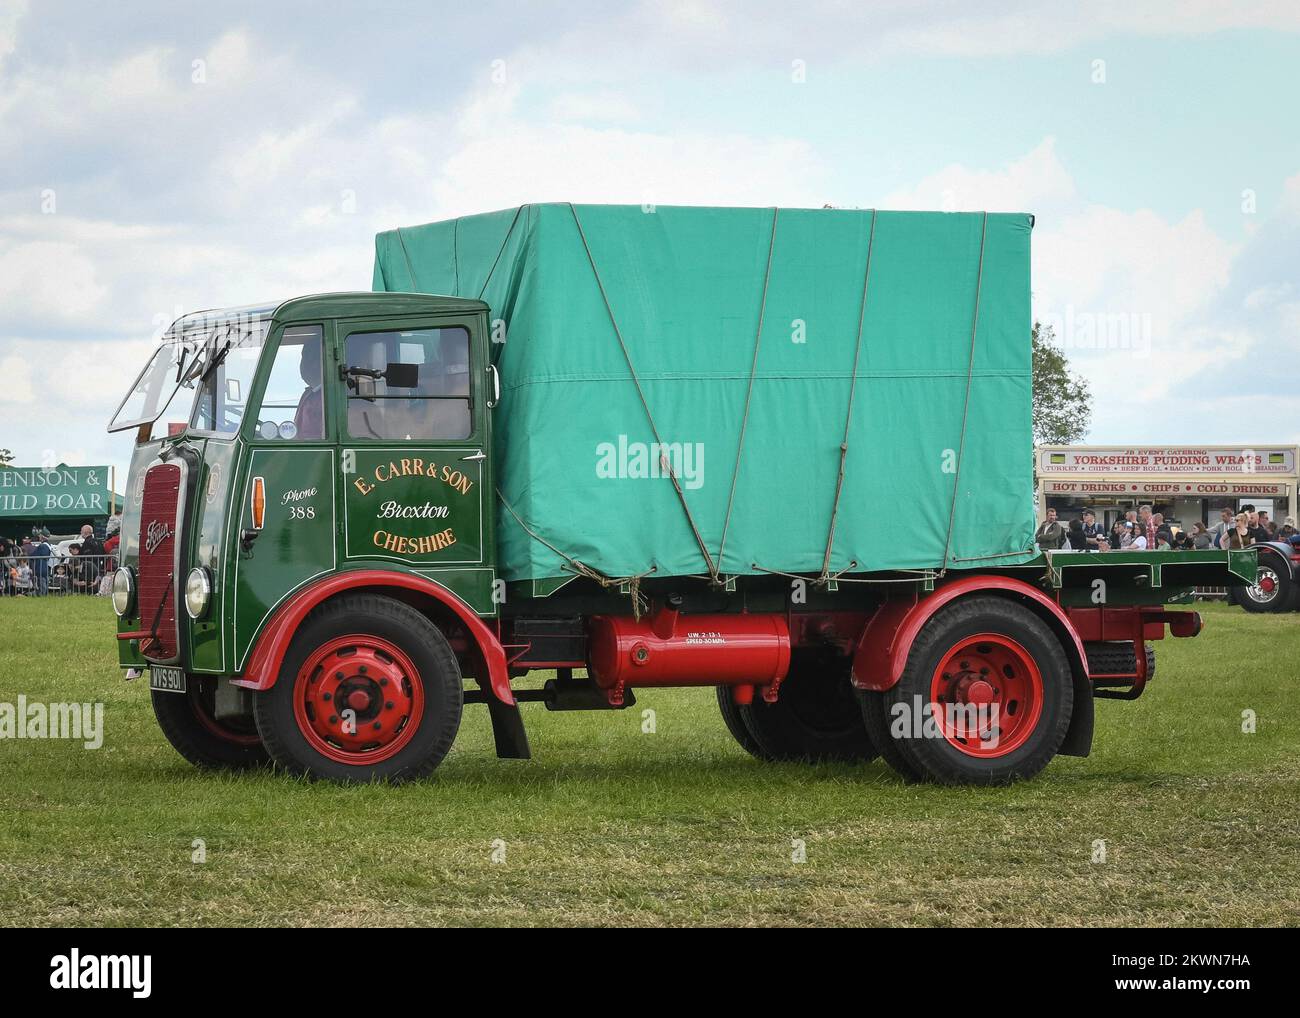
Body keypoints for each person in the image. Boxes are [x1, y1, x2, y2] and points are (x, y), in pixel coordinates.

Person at [294, 339, 325, 440]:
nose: (303, 366)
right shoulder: (308, 394)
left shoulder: (328, 397)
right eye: (303, 359)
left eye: (308, 359)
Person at [28, 531, 52, 596]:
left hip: (41, 567)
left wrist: (30, 555)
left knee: (42, 582)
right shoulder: (48, 545)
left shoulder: (43, 546)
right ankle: (44, 594)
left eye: (40, 535)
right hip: (45, 567)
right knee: (44, 581)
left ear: (42, 536)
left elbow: (35, 555)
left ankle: (42, 595)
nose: (39, 537)